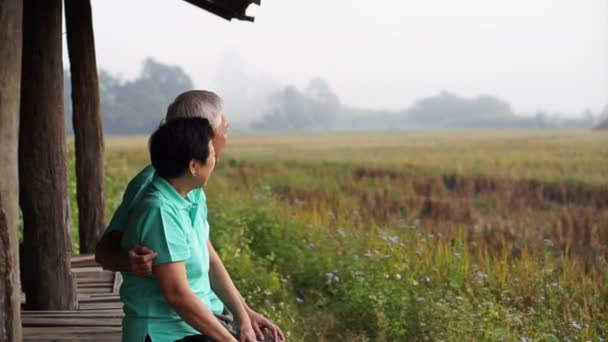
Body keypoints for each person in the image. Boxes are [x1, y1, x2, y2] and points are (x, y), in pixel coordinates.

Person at [95, 91, 284, 342]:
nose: (226, 139)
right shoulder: (155, 196)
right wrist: (125, 260)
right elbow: (106, 252)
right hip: (166, 328)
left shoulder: (188, 188)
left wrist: (245, 315)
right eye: (224, 130)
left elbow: (208, 256)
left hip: (198, 317)